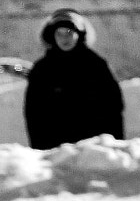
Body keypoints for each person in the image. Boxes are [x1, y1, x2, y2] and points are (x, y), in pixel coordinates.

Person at [23, 8, 125, 150]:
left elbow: (113, 108)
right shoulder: (42, 70)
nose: (65, 38)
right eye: (60, 34)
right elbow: (34, 114)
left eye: (69, 33)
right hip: (55, 151)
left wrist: (113, 145)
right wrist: (41, 149)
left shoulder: (96, 65)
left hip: (94, 151)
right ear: (52, 36)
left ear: (79, 34)